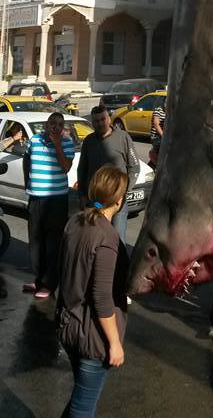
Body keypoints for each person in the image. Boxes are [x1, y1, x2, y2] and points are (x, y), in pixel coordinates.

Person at [57, 165, 129, 418]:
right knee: (83, 408)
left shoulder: (74, 222)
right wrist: (115, 344)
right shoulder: (107, 236)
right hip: (92, 338)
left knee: (80, 400)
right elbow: (101, 297)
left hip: (68, 326)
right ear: (119, 201)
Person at [23, 111, 75, 299]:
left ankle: (49, 283)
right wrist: (26, 181)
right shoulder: (34, 140)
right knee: (36, 242)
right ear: (46, 124)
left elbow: (66, 167)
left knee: (52, 243)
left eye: (59, 124)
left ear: (62, 128)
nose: (55, 126)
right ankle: (38, 279)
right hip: (36, 198)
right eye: (52, 123)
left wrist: (57, 145)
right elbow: (26, 158)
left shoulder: (67, 142)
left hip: (56, 200)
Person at [77, 105, 139, 244]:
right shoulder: (88, 141)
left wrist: (123, 191)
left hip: (117, 202)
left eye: (103, 119)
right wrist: (81, 194)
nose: (100, 123)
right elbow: (82, 169)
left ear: (109, 118)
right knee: (94, 237)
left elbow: (134, 168)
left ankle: (117, 265)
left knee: (117, 240)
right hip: (95, 202)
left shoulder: (123, 137)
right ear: (92, 123)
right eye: (96, 121)